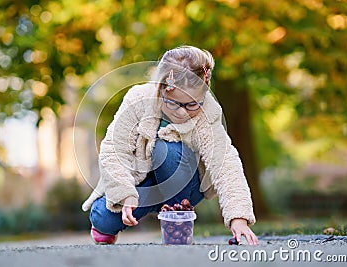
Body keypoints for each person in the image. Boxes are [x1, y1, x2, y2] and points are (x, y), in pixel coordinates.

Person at [82, 45, 259, 245]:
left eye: (193, 104)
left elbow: (225, 162)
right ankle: (110, 221)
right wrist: (125, 194)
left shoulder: (208, 112)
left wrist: (239, 217)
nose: (183, 112)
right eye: (174, 103)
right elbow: (114, 150)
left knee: (167, 148)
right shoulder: (138, 99)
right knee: (102, 217)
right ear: (160, 88)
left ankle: (176, 221)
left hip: (183, 181)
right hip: (142, 182)